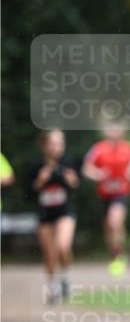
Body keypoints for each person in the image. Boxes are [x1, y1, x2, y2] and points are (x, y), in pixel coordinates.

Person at [82, 123, 130, 276]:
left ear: (122, 130)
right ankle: (115, 255)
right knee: (109, 227)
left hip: (122, 192)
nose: (114, 132)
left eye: (117, 128)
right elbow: (86, 169)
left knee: (114, 221)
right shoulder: (98, 149)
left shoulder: (128, 147)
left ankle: (119, 255)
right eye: (111, 129)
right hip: (104, 194)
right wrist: (98, 174)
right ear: (105, 131)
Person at [28, 129, 78, 303]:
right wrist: (40, 180)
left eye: (60, 143)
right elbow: (29, 192)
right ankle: (53, 288)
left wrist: (72, 181)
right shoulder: (36, 166)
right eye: (54, 143)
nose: (58, 147)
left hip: (65, 212)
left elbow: (76, 187)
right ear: (44, 145)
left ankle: (65, 277)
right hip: (45, 215)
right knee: (49, 254)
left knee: (63, 247)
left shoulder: (68, 163)